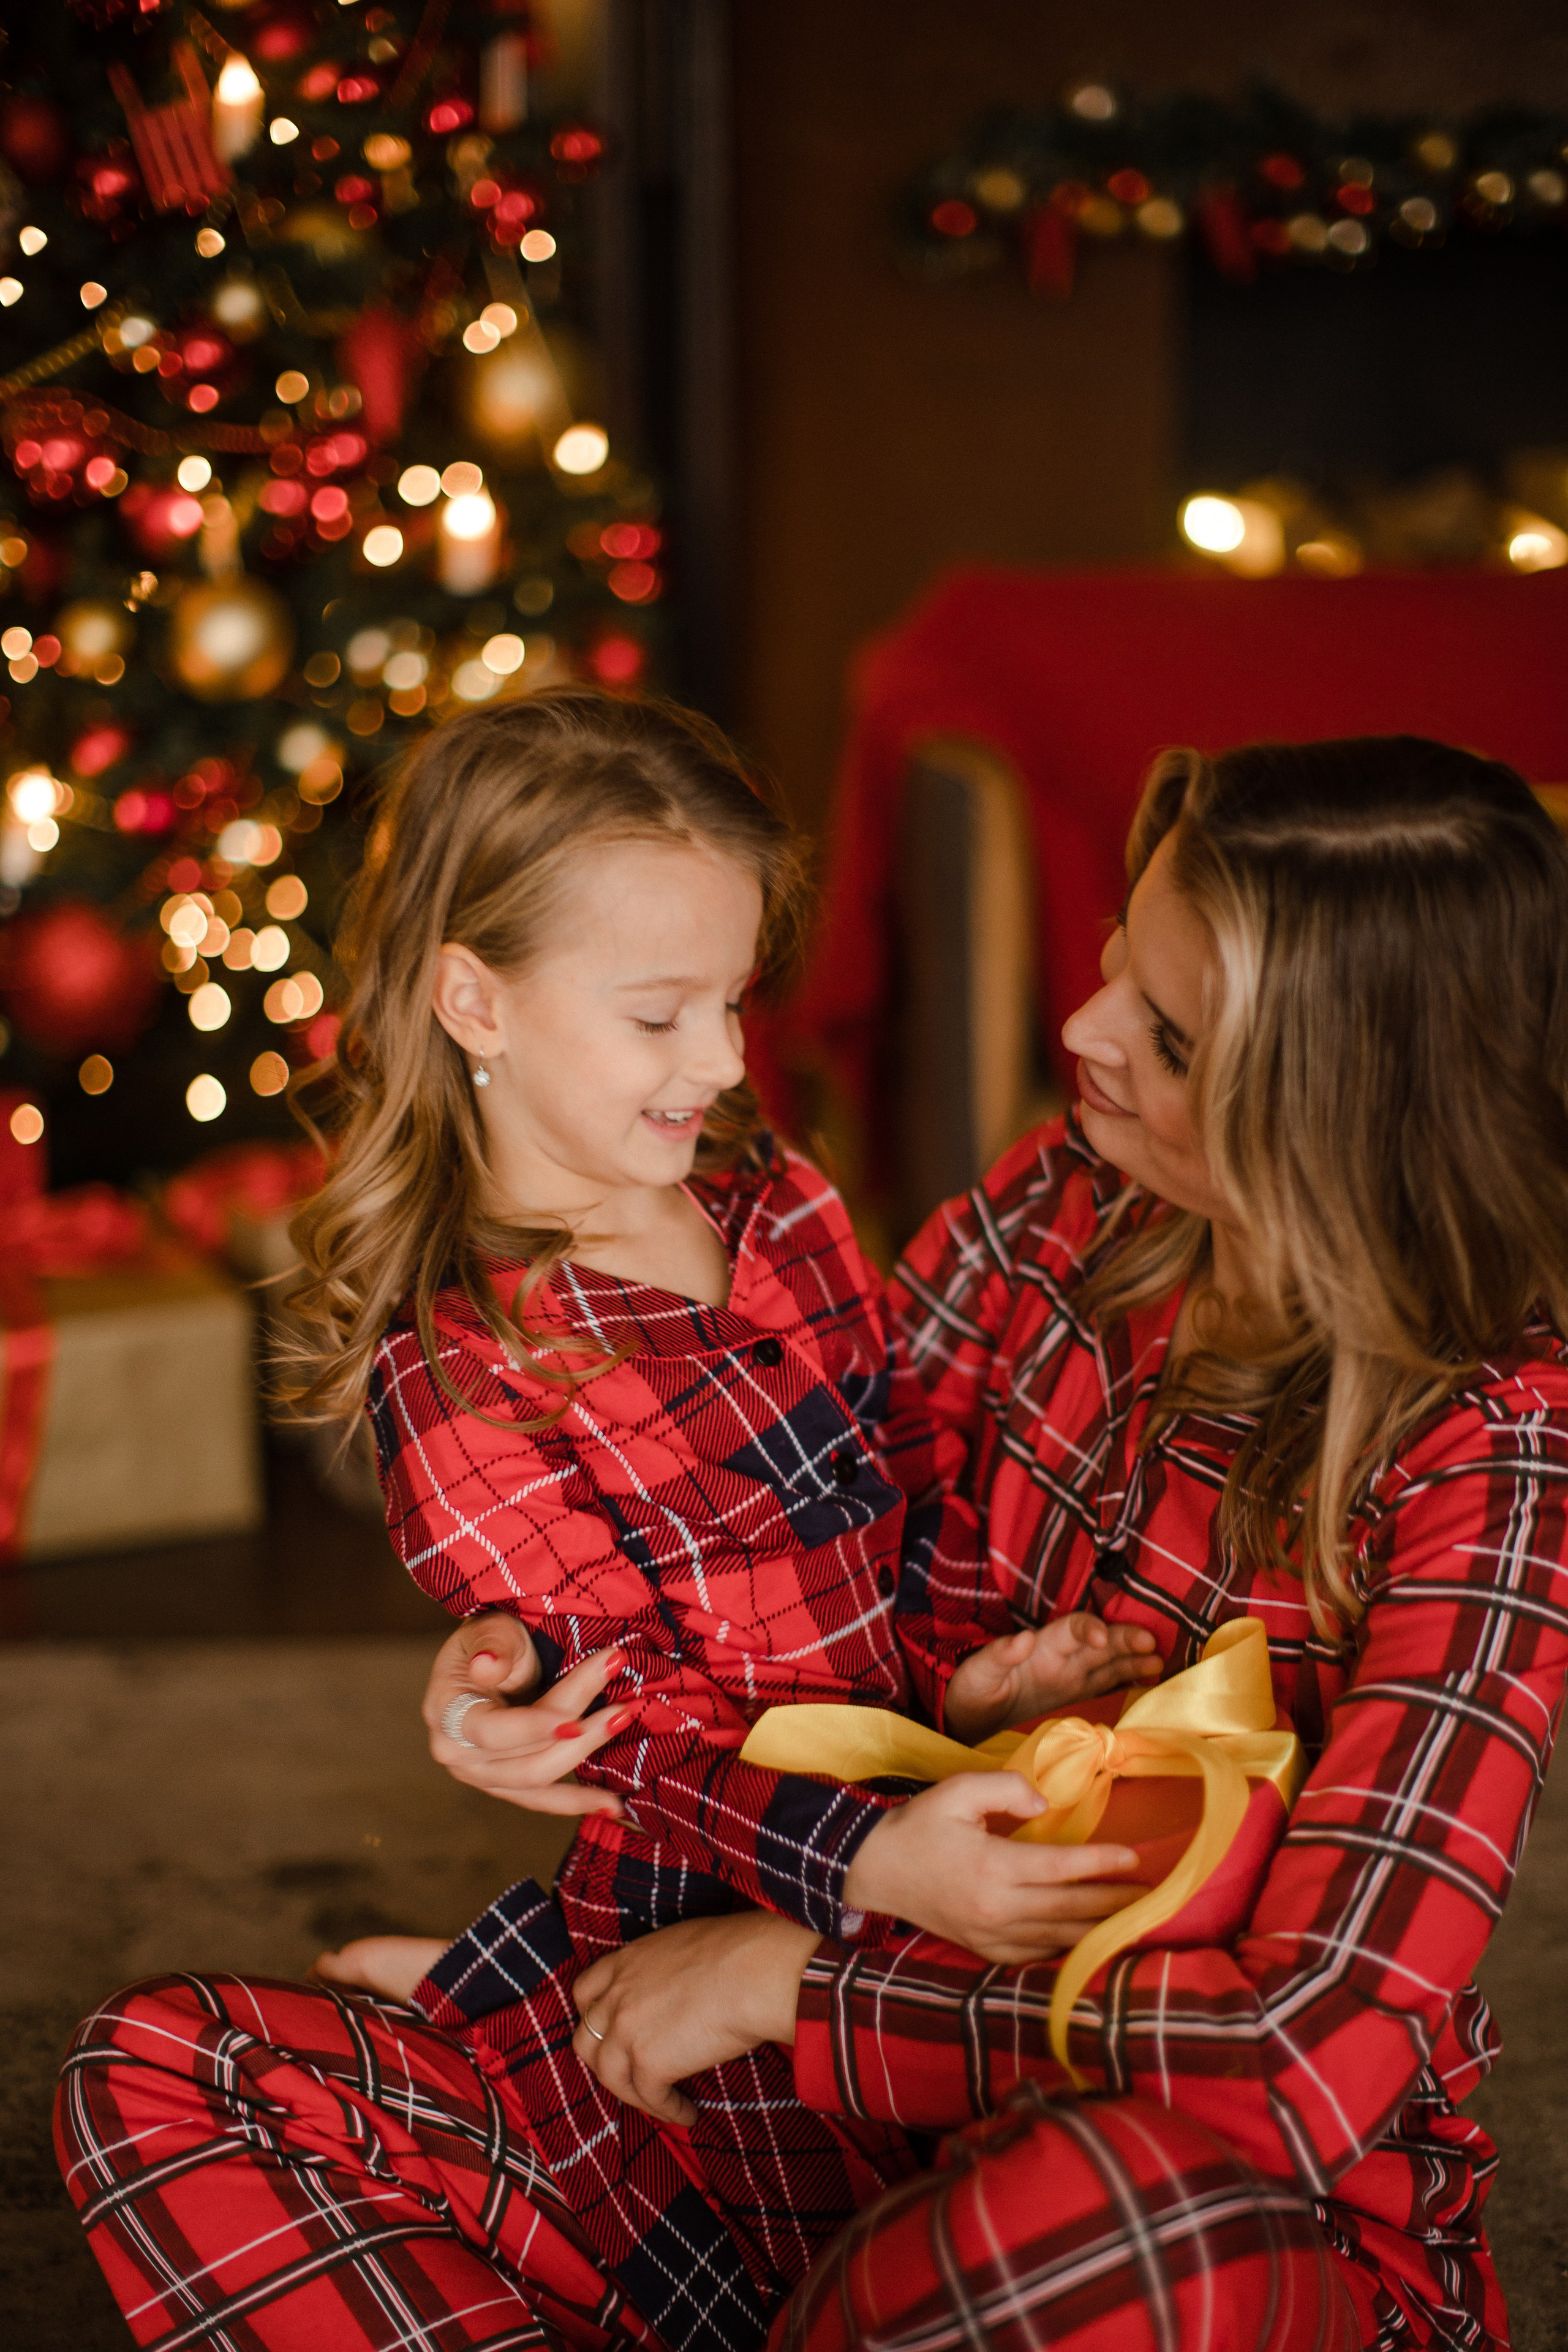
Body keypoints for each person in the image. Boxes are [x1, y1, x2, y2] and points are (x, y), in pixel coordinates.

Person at [58, 732, 1568, 2351]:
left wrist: (781, 1985)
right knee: (165, 2071)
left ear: (1330, 1104)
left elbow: (1296, 2059)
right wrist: (524, 1658)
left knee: (1115, 2228)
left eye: (1170, 1032)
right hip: (760, 2124)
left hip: (1094, 2176)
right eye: (1119, 961)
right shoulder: (1070, 1198)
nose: (1082, 1030)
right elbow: (777, 1518)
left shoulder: (1489, 1456)